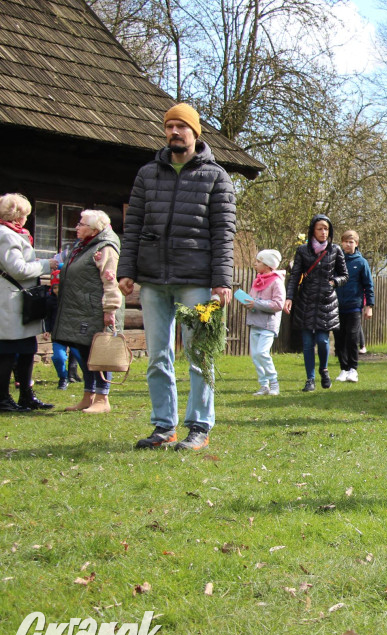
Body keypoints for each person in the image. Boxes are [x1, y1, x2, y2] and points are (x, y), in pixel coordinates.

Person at [118, 103, 236, 450]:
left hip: (197, 281)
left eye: (180, 126)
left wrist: (222, 281)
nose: (173, 132)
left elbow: (223, 233)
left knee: (200, 356)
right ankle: (163, 426)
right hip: (154, 280)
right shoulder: (147, 175)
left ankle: (200, 426)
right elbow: (134, 224)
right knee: (158, 357)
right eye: (169, 126)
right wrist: (127, 270)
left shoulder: (217, 177)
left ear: (195, 133)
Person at [53, 210, 123, 414]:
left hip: (97, 308)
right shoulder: (83, 246)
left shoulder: (106, 247)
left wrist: (110, 309)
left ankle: (103, 398)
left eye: (81, 224)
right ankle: (88, 396)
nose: (77, 227)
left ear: (94, 229)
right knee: (84, 351)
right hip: (82, 310)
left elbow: (110, 280)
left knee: (101, 351)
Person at [0, 193, 57, 412]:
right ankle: (3, 399)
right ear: (18, 214)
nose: (27, 218)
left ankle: (26, 396)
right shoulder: (5, 235)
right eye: (25, 214)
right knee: (7, 351)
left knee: (27, 349)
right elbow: (18, 269)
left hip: (20, 301)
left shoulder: (15, 234)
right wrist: (46, 264)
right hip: (10, 301)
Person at [284, 214, 348, 392]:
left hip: (326, 301)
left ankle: (324, 369)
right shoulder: (302, 251)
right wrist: (289, 297)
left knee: (322, 340)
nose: (323, 232)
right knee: (306, 343)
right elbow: (295, 276)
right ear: (313, 230)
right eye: (319, 228)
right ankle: (310, 379)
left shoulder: (335, 250)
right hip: (306, 300)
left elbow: (345, 275)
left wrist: (334, 282)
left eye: (326, 228)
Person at [334, 230, 374, 383]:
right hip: (337, 306)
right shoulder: (337, 261)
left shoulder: (361, 262)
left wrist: (369, 306)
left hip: (354, 306)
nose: (348, 244)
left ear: (356, 244)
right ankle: (343, 369)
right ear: (342, 243)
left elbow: (368, 285)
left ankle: (353, 369)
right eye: (345, 241)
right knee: (339, 339)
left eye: (351, 242)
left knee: (352, 337)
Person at [244, 249, 285, 396]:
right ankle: (263, 385)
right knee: (255, 355)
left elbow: (278, 304)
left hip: (268, 325)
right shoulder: (257, 280)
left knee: (262, 353)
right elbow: (252, 298)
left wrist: (256, 303)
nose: (255, 264)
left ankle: (274, 383)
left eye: (259, 261)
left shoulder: (277, 282)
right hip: (255, 322)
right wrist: (247, 301)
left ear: (268, 265)